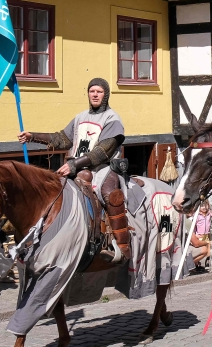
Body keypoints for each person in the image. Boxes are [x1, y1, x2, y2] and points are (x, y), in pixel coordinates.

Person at [18, 78, 131, 260]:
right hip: (76, 168)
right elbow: (62, 139)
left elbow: (102, 151)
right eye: (92, 91)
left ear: (106, 95)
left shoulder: (112, 119)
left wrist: (73, 164)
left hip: (102, 168)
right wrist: (33, 136)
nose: (95, 95)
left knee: (110, 194)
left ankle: (122, 246)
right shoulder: (80, 117)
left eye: (99, 91)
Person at [189, 201, 212, 273]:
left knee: (208, 248)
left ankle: (207, 261)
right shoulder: (197, 215)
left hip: (207, 234)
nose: (204, 207)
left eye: (206, 205)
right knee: (204, 249)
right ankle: (194, 264)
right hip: (199, 235)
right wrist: (195, 234)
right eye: (202, 206)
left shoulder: (209, 213)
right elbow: (193, 226)